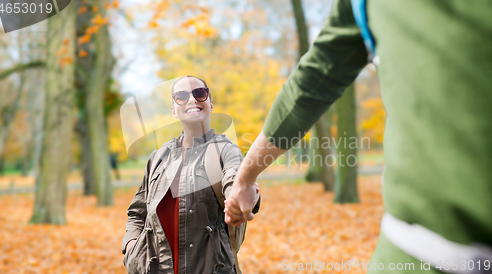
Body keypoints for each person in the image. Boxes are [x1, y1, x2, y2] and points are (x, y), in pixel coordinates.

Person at [224, 0, 492, 273]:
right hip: (421, 254)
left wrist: (245, 179)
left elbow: (312, 80)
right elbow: (312, 79)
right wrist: (245, 177)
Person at [122, 76, 259, 274]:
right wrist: (131, 247)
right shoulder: (158, 157)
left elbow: (236, 182)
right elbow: (137, 213)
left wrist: (242, 197)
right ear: (173, 110)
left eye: (199, 93)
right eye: (182, 96)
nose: (192, 100)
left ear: (210, 103)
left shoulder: (226, 151)